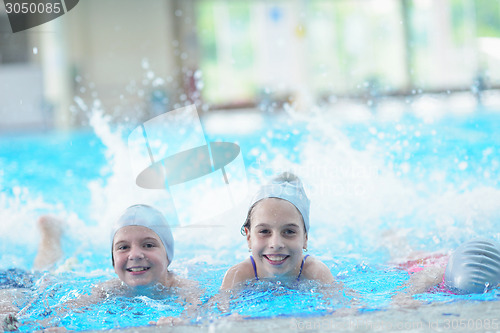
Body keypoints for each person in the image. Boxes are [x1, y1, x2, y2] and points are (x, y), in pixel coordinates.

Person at [3, 205, 201, 331]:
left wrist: (182, 322)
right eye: (123, 247)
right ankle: (50, 233)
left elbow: (196, 311)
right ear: (113, 262)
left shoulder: (184, 287)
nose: (135, 254)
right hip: (63, 277)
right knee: (45, 275)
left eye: (148, 245)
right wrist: (23, 324)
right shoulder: (109, 289)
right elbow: (63, 310)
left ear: (168, 255)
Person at [221, 172, 336, 290]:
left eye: (289, 232)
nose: (276, 244)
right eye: (264, 231)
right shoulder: (238, 275)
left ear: (305, 238)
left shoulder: (316, 273)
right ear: (249, 237)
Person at [393, 238, 500, 306]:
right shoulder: (435, 273)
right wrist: (405, 300)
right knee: (407, 256)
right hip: (427, 261)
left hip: (451, 259)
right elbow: (404, 292)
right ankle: (394, 239)